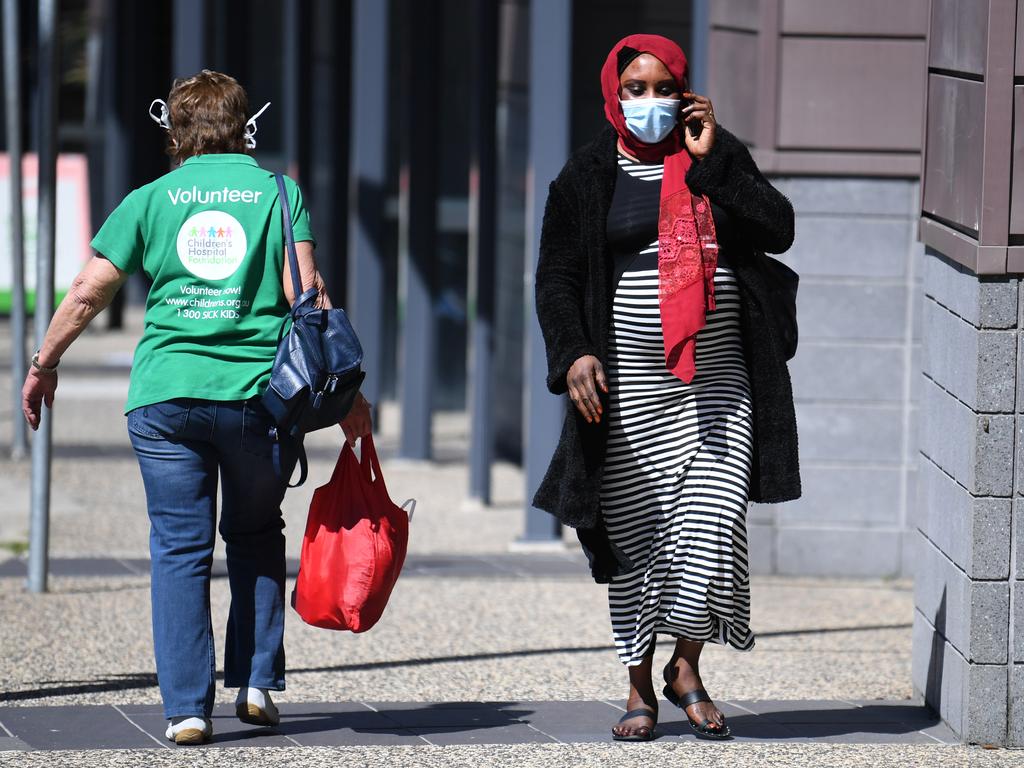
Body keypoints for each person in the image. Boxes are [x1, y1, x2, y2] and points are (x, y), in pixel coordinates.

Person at [21, 70, 372, 745]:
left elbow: (89, 292)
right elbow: (309, 294)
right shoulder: (278, 192)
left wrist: (45, 363)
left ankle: (186, 709)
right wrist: (353, 396)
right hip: (259, 400)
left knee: (179, 550)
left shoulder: (150, 199)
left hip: (164, 397)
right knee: (254, 532)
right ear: (246, 126)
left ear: (174, 130)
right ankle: (258, 685)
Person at [532, 35, 798, 741]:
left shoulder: (714, 153)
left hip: (719, 381)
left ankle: (687, 663)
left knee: (711, 525)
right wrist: (574, 354)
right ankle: (639, 683)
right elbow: (556, 278)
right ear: (613, 95)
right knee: (637, 537)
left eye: (661, 88)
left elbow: (779, 229)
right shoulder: (584, 175)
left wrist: (713, 166)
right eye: (634, 90)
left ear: (685, 91)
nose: (649, 103)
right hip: (630, 390)